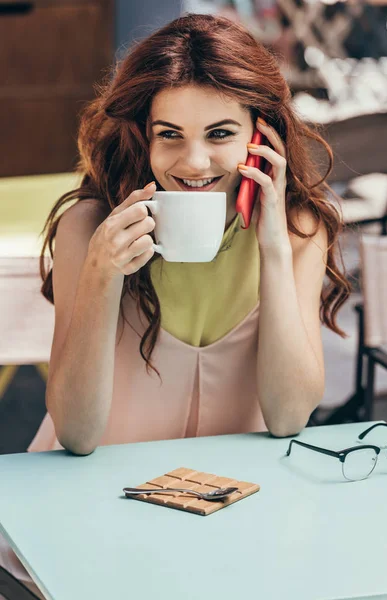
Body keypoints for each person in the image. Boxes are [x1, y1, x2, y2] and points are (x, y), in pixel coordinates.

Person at [0, 12, 350, 597]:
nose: (192, 163)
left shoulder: (297, 232)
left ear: (260, 137)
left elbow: (288, 417)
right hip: (90, 524)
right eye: (170, 134)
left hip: (235, 528)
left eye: (219, 134)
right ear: (144, 134)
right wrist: (101, 273)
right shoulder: (90, 227)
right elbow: (78, 434)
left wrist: (272, 248)